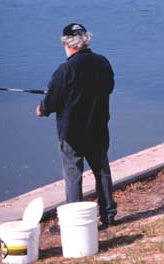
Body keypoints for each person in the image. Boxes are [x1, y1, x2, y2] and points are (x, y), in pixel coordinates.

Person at [37, 23, 117, 229]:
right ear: (86, 40)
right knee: (102, 171)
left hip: (71, 133)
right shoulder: (102, 63)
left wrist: (42, 109)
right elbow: (109, 87)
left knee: (73, 175)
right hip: (98, 127)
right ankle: (108, 215)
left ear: (66, 43)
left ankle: (75, 223)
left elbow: (52, 101)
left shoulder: (65, 70)